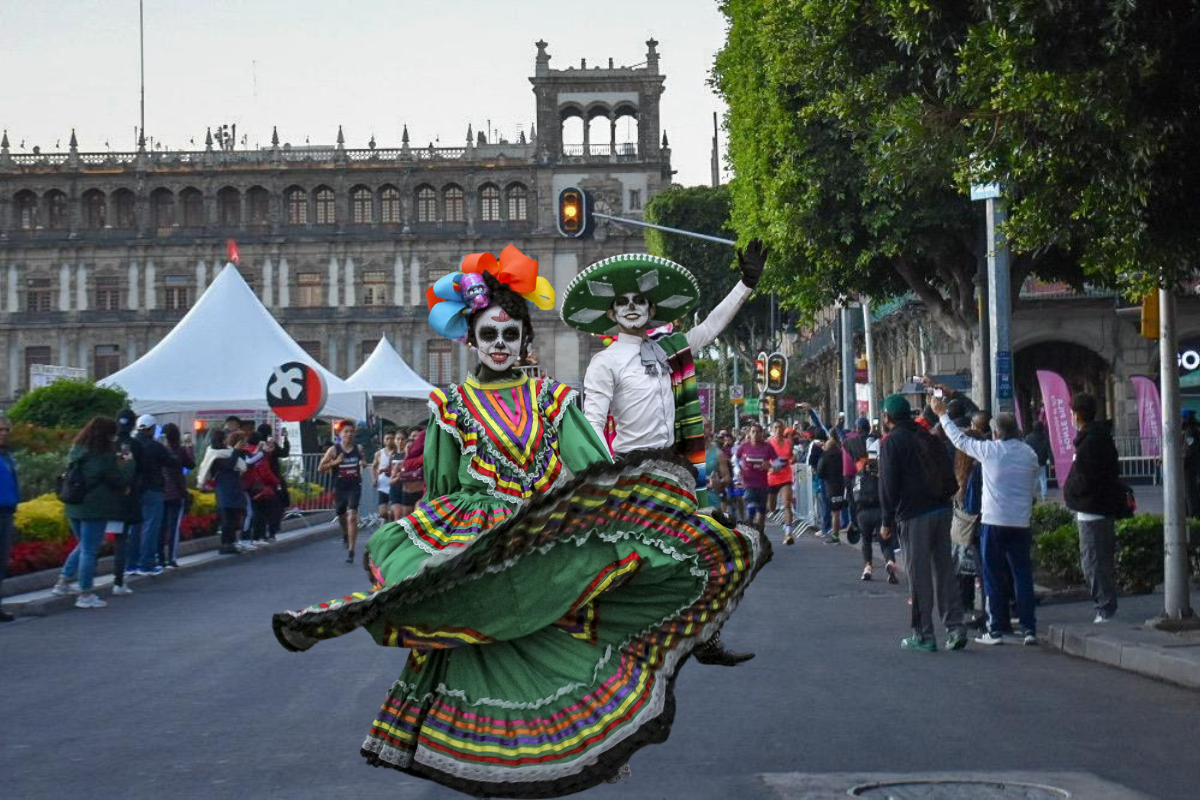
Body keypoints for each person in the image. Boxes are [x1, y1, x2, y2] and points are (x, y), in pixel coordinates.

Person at [271, 248, 768, 796]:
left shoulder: (554, 400)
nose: (501, 345)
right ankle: (480, 754)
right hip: (473, 534)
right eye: (491, 335)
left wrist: (626, 506)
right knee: (469, 632)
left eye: (511, 335)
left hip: (540, 533)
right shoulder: (450, 407)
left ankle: (578, 750)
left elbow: (589, 466)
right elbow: (441, 485)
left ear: (525, 340)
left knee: (563, 636)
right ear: (472, 340)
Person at [572, 242, 768, 507]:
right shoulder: (605, 361)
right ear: (612, 314)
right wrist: (607, 478)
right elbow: (593, 424)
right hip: (630, 478)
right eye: (622, 302)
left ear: (651, 311)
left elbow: (711, 326)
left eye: (639, 301)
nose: (631, 307)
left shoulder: (671, 350)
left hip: (675, 476)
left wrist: (745, 285)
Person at [934, 397, 1040, 646]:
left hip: (994, 522)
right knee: (1022, 575)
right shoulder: (1030, 454)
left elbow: (959, 439)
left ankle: (995, 630)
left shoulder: (991, 452)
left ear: (996, 433)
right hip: (1021, 522)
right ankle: (1029, 629)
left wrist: (941, 414)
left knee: (992, 575)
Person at [879, 394, 968, 653]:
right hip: (941, 509)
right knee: (944, 571)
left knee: (919, 576)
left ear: (887, 418)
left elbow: (888, 485)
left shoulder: (891, 443)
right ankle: (955, 628)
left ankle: (924, 634)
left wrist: (886, 521)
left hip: (913, 514)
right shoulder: (927, 435)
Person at [51, 417, 135, 609]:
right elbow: (120, 481)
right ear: (107, 435)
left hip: (73, 504)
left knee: (83, 546)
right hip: (95, 508)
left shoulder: (76, 450)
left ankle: (63, 582)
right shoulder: (103, 457)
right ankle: (85, 593)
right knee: (89, 549)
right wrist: (128, 461)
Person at [1063, 392, 1124, 624]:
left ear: (1078, 414)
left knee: (1094, 561)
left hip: (1092, 509)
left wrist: (1070, 493)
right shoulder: (1100, 438)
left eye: (1071, 412)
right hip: (1100, 506)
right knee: (1099, 559)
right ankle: (1105, 604)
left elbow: (1085, 478)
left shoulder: (1089, 443)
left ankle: (1105, 608)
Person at [126, 414, 179, 576]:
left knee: (134, 527)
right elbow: (173, 462)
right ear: (152, 428)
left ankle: (131, 564)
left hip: (134, 490)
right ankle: (146, 563)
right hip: (153, 489)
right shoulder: (155, 446)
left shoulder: (130, 444)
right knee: (150, 526)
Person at [853, 441, 897, 583]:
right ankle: (890, 563)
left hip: (863, 513)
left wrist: (854, 520)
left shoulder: (859, 476)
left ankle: (867, 568)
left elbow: (852, 496)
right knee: (885, 541)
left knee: (866, 540)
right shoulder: (882, 476)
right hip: (880, 511)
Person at [197, 428, 247, 556]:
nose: (226, 441)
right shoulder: (215, 454)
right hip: (224, 489)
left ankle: (231, 543)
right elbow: (229, 465)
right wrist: (235, 451)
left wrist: (236, 451)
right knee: (227, 518)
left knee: (234, 517)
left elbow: (240, 464)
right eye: (224, 438)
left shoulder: (227, 451)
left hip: (234, 487)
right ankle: (226, 544)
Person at [321, 423, 364, 564]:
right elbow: (320, 468)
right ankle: (345, 534)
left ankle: (351, 550)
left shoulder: (358, 448)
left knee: (352, 516)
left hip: (354, 486)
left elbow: (363, 460)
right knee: (341, 515)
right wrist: (336, 462)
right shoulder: (334, 450)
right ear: (340, 434)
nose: (349, 434)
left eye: (351, 431)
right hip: (339, 487)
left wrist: (363, 462)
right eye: (346, 432)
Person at [159, 422, 194, 569]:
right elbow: (191, 464)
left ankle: (159, 557)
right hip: (176, 493)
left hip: (160, 492)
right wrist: (189, 447)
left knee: (160, 526)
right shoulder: (179, 451)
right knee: (173, 526)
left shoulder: (160, 450)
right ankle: (171, 558)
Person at [243, 433, 282, 546]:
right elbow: (265, 471)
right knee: (261, 512)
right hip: (260, 486)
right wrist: (277, 482)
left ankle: (254, 536)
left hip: (249, 485)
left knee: (254, 512)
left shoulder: (246, 451)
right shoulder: (259, 454)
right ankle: (258, 536)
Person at [255, 423, 289, 542]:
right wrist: (286, 439)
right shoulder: (270, 445)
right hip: (273, 479)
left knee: (262, 508)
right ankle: (272, 531)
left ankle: (262, 533)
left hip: (259, 481)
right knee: (277, 506)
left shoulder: (255, 445)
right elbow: (284, 453)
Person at [737, 423, 775, 533]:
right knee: (751, 505)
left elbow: (777, 462)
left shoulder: (767, 447)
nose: (755, 434)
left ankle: (759, 532)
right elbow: (735, 460)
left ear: (761, 433)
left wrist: (771, 466)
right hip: (749, 481)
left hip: (763, 483)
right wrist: (738, 470)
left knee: (761, 511)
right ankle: (749, 523)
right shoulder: (744, 446)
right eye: (753, 431)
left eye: (758, 432)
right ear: (749, 433)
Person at [0, 416, 18, 621]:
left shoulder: (7, 455)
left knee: (1, 562)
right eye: (0, 430)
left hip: (7, 511)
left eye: (6, 430)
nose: (3, 433)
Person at [767, 420, 797, 544]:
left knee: (787, 505)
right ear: (772, 429)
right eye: (776, 428)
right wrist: (771, 467)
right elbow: (764, 459)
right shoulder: (768, 443)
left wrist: (793, 459)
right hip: (772, 476)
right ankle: (772, 511)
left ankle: (788, 534)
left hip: (786, 476)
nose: (778, 430)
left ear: (784, 429)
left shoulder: (788, 442)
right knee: (771, 507)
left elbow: (791, 456)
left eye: (780, 428)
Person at [390, 427, 425, 521]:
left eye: (412, 447)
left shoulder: (421, 461)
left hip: (420, 494)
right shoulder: (399, 464)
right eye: (408, 447)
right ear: (404, 448)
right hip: (406, 495)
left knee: (417, 517)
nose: (410, 449)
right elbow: (391, 481)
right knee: (406, 522)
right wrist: (398, 477)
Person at [817, 429, 846, 544]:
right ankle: (836, 535)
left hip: (830, 485)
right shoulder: (841, 454)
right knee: (837, 512)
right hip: (841, 484)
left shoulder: (825, 456)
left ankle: (835, 537)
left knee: (834, 513)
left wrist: (825, 476)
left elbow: (819, 472)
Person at [372, 430, 397, 520]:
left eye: (392, 438)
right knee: (382, 513)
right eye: (387, 439)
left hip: (395, 484)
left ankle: (393, 527)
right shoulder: (379, 453)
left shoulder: (399, 452)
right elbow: (374, 467)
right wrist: (374, 478)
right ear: (383, 440)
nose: (389, 440)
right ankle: (391, 520)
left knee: (396, 511)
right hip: (382, 485)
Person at [1025, 421, 1052, 502]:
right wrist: (1051, 460)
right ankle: (1044, 495)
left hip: (1031, 462)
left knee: (1032, 480)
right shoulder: (1044, 437)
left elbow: (1025, 450)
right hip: (1042, 461)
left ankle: (1032, 496)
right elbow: (1049, 450)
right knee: (1043, 479)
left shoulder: (1028, 437)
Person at [1182, 409, 1200, 519]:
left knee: (1190, 490)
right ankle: (1188, 512)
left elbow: (1190, 450)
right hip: (1195, 466)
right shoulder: (1194, 429)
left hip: (1191, 467)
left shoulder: (1190, 431)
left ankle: (1193, 515)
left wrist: (1182, 461)